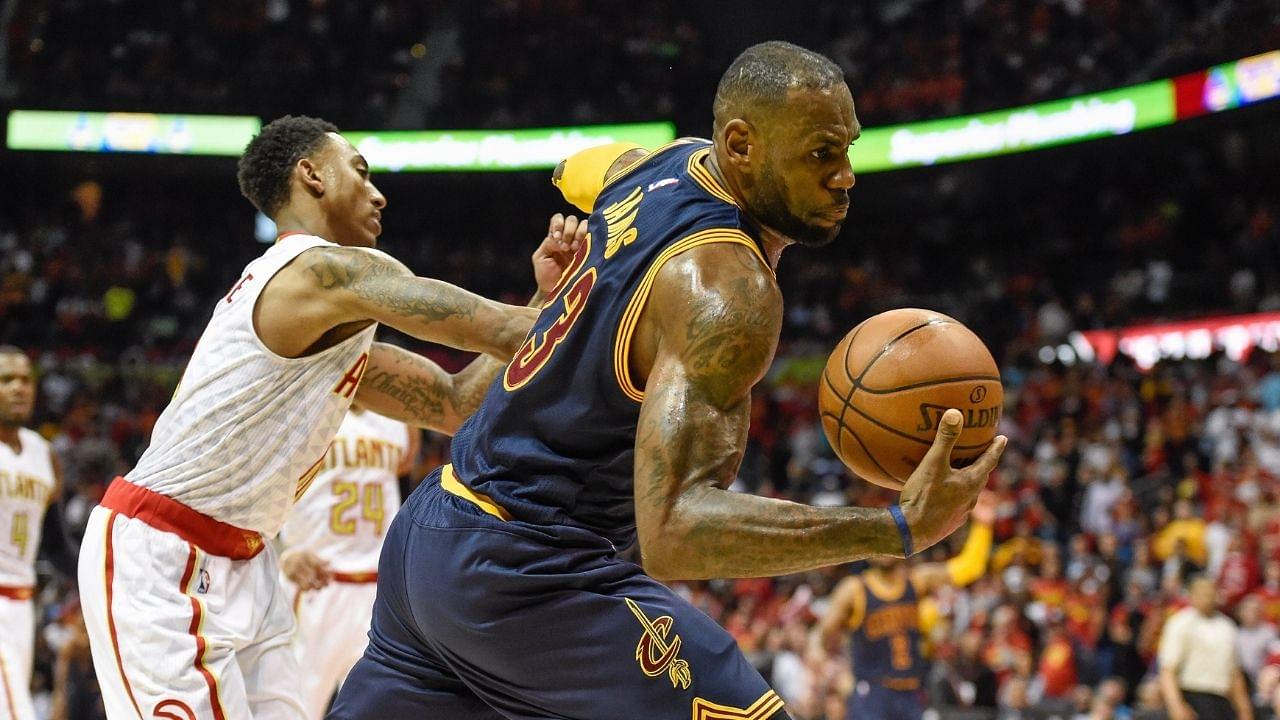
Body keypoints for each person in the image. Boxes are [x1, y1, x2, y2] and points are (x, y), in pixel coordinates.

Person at [331, 41, 1004, 720]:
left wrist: (580, 207)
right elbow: (673, 532)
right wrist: (895, 527)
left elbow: (586, 169)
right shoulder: (728, 290)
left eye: (848, 149)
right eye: (821, 153)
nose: (846, 176)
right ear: (740, 144)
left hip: (431, 535)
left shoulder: (659, 163)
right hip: (526, 570)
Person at [76, 115, 580, 719]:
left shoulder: (327, 326)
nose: (378, 193)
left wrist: (550, 298)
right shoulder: (315, 272)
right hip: (161, 553)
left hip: (248, 561)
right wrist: (620, 277)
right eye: (361, 172)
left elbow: (452, 403)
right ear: (311, 175)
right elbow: (498, 330)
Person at [277, 404, 419, 719]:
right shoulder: (304, 409)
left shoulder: (395, 419)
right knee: (293, 709)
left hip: (378, 590)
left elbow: (406, 463)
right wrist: (280, 552)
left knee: (377, 710)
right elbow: (256, 492)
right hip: (317, 582)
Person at [814, 492, 995, 720]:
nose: (882, 546)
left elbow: (969, 568)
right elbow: (822, 636)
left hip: (910, 691)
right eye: (875, 539)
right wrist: (835, 672)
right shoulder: (854, 589)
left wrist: (984, 526)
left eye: (887, 537)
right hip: (872, 692)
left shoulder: (917, 581)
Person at [0, 346, 66, 720]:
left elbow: (55, 544)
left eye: (25, 380)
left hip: (22, 606)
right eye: (6, 380)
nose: (19, 388)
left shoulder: (45, 454)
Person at [1157, 575, 1254, 720]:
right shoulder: (1180, 623)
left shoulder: (1227, 627)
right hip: (1191, 695)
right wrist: (1176, 706)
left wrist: (1244, 709)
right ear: (1192, 596)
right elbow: (1168, 670)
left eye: (1210, 593)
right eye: (1202, 593)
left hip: (1221, 699)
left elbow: (1235, 673)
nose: (1207, 598)